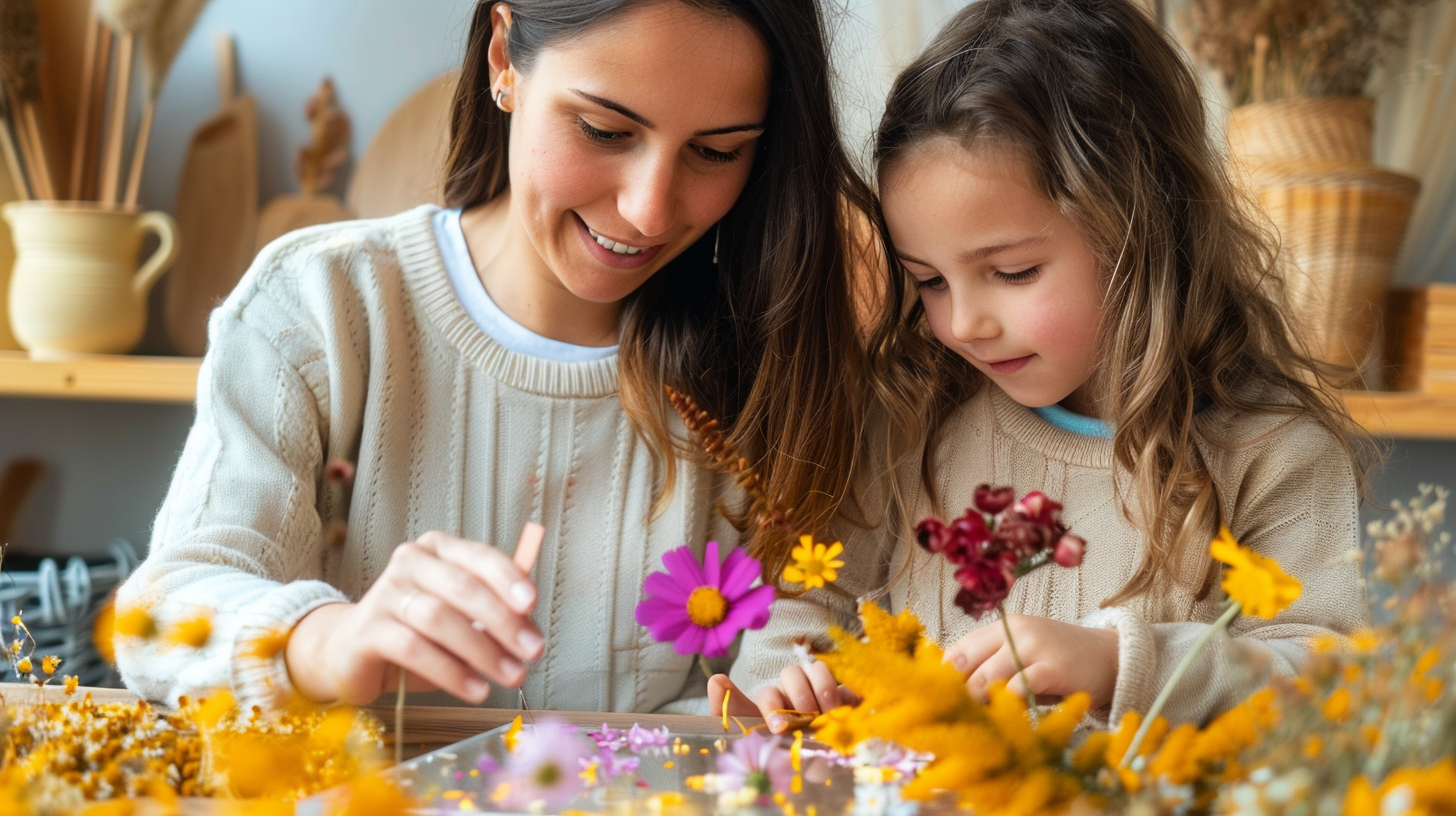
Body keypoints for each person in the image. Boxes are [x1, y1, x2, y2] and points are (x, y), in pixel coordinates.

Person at [115, 0, 880, 713]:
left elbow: (785, 659)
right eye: (605, 131)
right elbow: (162, 614)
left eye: (715, 152)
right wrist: (325, 641)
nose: (649, 208)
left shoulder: (780, 367)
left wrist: (785, 701)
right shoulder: (320, 305)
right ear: (504, 56)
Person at [716, 0, 1376, 731]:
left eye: (1013, 271)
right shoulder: (906, 418)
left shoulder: (1273, 454)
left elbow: (1328, 686)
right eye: (929, 281)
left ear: (1140, 228)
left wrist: (1119, 663)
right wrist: (792, 681)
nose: (963, 323)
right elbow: (807, 605)